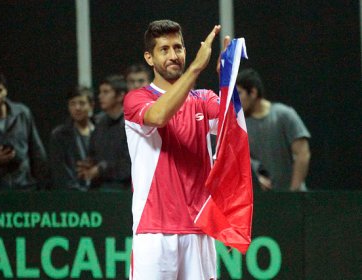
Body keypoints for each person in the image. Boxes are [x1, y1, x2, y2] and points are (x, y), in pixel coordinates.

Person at [124, 20, 224, 280]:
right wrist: (195, 70)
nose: (173, 55)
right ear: (149, 57)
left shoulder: (204, 98)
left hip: (199, 229)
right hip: (153, 231)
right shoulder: (137, 99)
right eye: (164, 49)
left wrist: (228, 82)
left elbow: (232, 126)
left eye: (178, 48)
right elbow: (159, 116)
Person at [236, 68, 311, 192]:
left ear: (253, 93)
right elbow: (240, 160)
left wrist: (293, 192)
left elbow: (303, 153)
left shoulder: (284, 115)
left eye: (239, 93)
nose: (235, 100)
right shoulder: (241, 126)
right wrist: (257, 177)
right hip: (265, 202)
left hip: (293, 200)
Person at [0, 70, 48, 190]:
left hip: (25, 186)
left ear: (5, 91)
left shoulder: (22, 113)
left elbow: (37, 152)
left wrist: (42, 186)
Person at [76, 74, 131, 191]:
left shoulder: (132, 124)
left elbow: (129, 163)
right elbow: (93, 153)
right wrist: (88, 165)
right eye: (100, 92)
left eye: (106, 92)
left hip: (124, 191)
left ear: (121, 96)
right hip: (99, 189)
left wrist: (100, 169)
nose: (100, 96)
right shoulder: (99, 123)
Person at [49, 86, 95, 190]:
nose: (77, 108)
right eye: (72, 104)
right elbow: (59, 170)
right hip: (71, 194)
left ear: (91, 105)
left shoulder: (100, 131)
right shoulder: (59, 135)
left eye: (82, 103)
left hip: (99, 192)